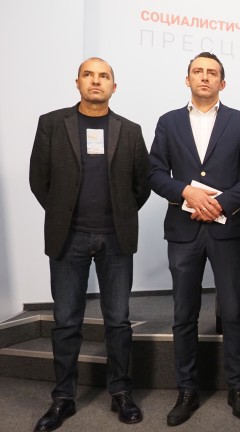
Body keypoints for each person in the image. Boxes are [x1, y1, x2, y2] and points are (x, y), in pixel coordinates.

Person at [29, 57, 149, 431]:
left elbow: (141, 185)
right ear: (78, 82)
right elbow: (39, 179)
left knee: (118, 321)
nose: (96, 81)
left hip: (116, 238)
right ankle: (63, 399)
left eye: (104, 76)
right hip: (69, 237)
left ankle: (121, 393)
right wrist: (63, 213)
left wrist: (121, 214)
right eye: (89, 75)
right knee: (66, 322)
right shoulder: (52, 124)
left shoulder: (130, 131)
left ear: (114, 86)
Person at [148, 52, 240, 426]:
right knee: (184, 314)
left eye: (212, 72)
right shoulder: (168, 122)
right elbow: (154, 173)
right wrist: (186, 191)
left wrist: (219, 203)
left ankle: (237, 388)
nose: (204, 77)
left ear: (222, 82)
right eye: (197, 71)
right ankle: (186, 390)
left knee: (232, 312)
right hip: (183, 230)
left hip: (226, 228)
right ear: (187, 80)